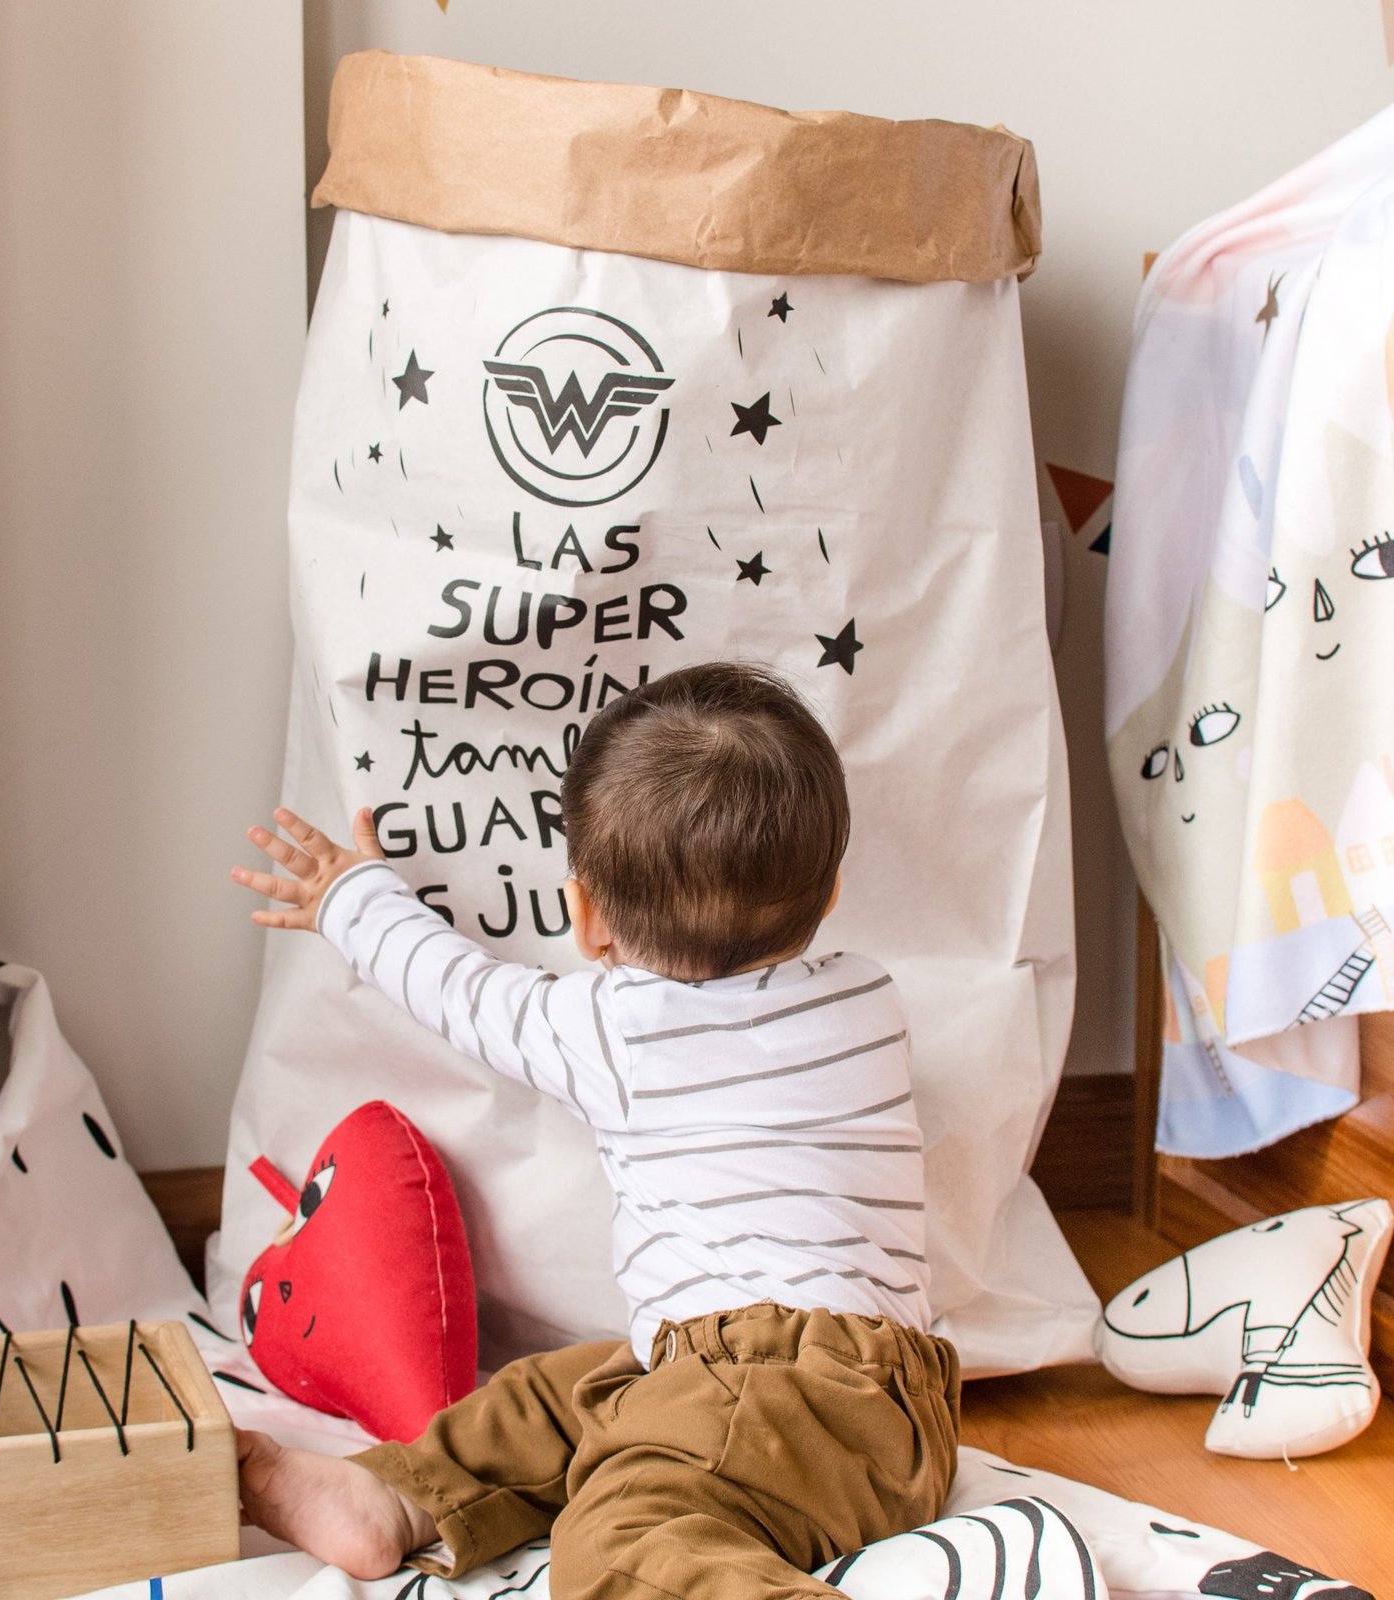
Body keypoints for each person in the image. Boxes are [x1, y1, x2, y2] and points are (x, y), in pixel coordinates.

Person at [230, 662, 959, 1599]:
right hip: (902, 1402)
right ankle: (392, 1495)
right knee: (561, 1396)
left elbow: (457, 990)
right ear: (829, 895)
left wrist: (350, 896)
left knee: (617, 1538)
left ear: (585, 917)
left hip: (762, 1387)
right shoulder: (867, 1001)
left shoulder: (614, 1032)